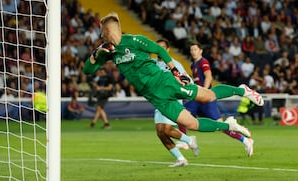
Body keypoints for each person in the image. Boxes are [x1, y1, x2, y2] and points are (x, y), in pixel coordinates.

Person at [83, 12, 264, 141]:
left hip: (165, 82)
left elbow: (159, 49)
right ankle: (229, 126)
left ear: (109, 30)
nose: (101, 35)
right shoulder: (107, 52)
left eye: (102, 31)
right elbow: (87, 70)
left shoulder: (134, 40)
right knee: (192, 125)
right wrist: (95, 54)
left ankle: (242, 90)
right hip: (154, 97)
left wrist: (175, 72)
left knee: (208, 96)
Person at [181, 42, 254, 157]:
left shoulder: (203, 62)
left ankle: (245, 140)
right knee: (183, 115)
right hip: (198, 98)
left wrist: (204, 92)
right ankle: (186, 141)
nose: (193, 51)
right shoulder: (193, 65)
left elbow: (209, 77)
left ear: (201, 51)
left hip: (206, 98)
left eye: (195, 49)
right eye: (191, 50)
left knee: (219, 126)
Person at [153, 38, 198, 167]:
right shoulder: (152, 63)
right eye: (158, 48)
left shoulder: (174, 64)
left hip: (171, 100)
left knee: (166, 129)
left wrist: (187, 88)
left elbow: (188, 79)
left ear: (167, 50)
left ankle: (189, 140)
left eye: (162, 48)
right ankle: (181, 158)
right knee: (160, 133)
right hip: (159, 102)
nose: (159, 51)